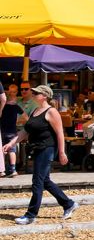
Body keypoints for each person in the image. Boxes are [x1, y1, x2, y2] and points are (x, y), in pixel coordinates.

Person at [3, 85, 78, 225]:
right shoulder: (35, 111)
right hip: (37, 148)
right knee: (45, 181)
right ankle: (69, 204)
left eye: (37, 93)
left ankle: (31, 215)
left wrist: (62, 152)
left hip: (47, 148)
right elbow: (24, 131)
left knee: (37, 182)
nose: (34, 94)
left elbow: (60, 133)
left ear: (44, 96)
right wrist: (12, 143)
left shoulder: (52, 112)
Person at [1, 83, 20, 177]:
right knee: (11, 150)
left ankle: (2, 170)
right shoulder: (16, 105)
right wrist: (17, 121)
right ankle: (13, 169)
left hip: (3, 129)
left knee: (2, 150)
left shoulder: (2, 105)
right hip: (12, 130)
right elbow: (25, 116)